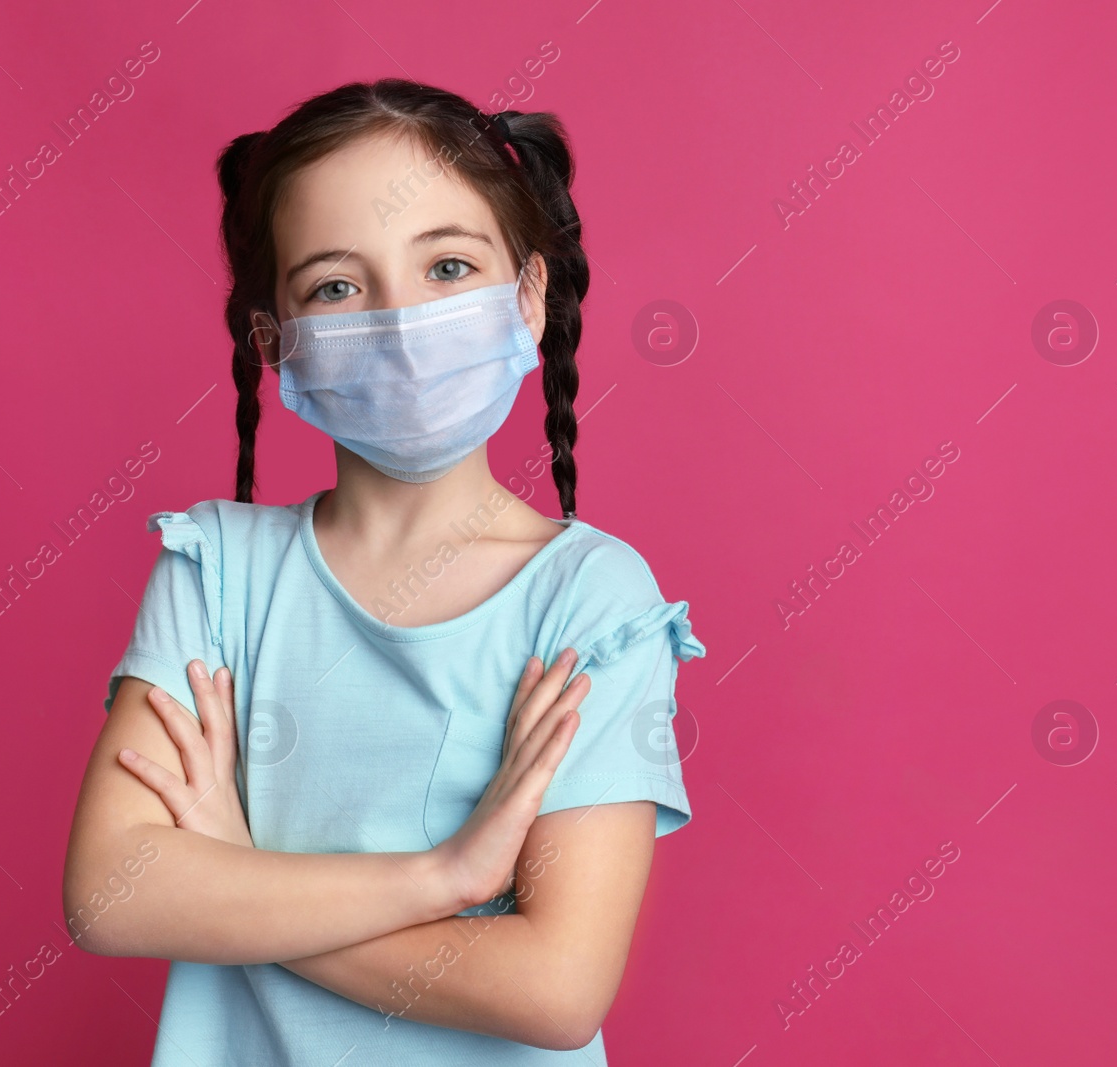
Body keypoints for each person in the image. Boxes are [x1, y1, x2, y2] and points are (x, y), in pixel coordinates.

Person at [63, 77, 707, 1066]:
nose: (402, 322)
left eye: (447, 265)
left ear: (528, 298)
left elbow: (554, 989)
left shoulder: (591, 597)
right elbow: (110, 893)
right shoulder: (216, 569)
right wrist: (442, 874)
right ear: (273, 341)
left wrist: (238, 880)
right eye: (335, 285)